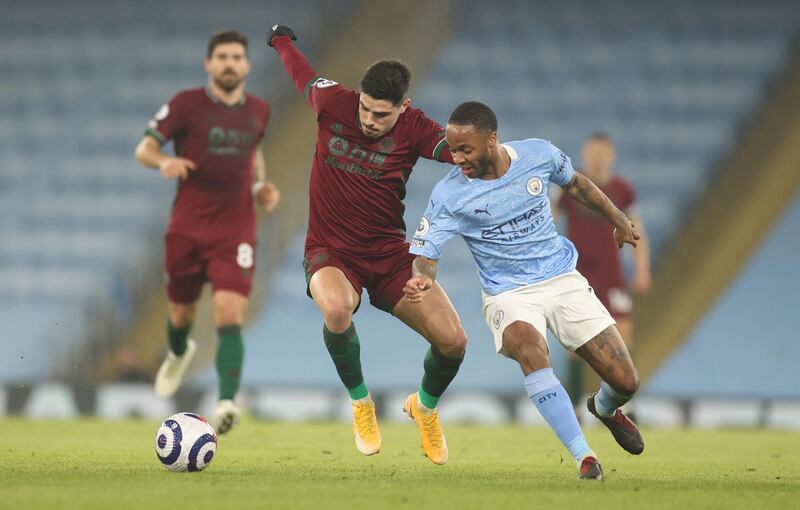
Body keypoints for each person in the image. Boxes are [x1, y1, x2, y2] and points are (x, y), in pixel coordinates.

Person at [405, 102, 644, 480]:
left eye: (465, 149)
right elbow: (425, 252)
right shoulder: (449, 193)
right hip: (507, 293)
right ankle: (585, 456)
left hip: (562, 280)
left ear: (492, 140)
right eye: (452, 150)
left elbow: (577, 184)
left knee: (626, 381)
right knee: (530, 349)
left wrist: (618, 219)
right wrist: (424, 275)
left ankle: (605, 408)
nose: (457, 158)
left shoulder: (538, 155)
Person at [265, 24, 466, 465]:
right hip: (331, 251)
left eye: (382, 115)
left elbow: (461, 154)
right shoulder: (332, 101)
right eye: (367, 110)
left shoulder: (415, 128)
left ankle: (424, 407)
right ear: (358, 95)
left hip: (390, 255)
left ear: (404, 108)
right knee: (337, 309)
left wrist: (498, 159)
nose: (371, 121)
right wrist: (280, 39)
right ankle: (361, 404)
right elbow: (300, 71)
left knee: (453, 342)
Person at [134, 30, 281, 435]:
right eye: (222, 57)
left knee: (229, 312)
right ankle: (179, 352)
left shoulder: (259, 110)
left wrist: (258, 187)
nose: (230, 63)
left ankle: (227, 401)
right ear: (209, 64)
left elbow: (254, 153)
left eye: (237, 57)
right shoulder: (186, 104)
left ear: (247, 65)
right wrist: (163, 162)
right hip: (187, 227)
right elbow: (143, 148)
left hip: (235, 229)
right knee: (180, 314)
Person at [557, 133, 651, 407]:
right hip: (578, 275)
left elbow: (637, 230)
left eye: (603, 152)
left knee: (622, 335)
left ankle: (623, 406)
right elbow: (549, 217)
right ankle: (574, 409)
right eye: (593, 152)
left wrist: (642, 268)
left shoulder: (623, 190)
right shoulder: (570, 185)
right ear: (585, 154)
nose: (598, 157)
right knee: (576, 344)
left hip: (611, 275)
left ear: (612, 156)